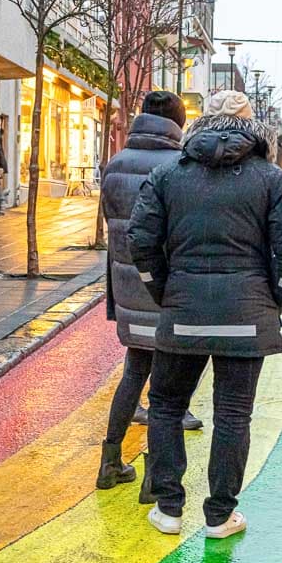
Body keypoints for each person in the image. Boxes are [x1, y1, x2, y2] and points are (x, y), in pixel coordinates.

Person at [129, 90, 282, 539]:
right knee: (234, 414)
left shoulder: (168, 174)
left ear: (199, 124)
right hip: (246, 315)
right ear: (253, 127)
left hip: (183, 310)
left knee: (167, 406)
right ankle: (219, 514)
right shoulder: (271, 179)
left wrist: (163, 290)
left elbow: (141, 240)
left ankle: (169, 508)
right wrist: (273, 298)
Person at [96, 91, 202, 492]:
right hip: (166, 288)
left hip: (126, 286)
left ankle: (110, 461)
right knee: (168, 390)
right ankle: (154, 476)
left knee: (133, 373)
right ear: (178, 124)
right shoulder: (178, 166)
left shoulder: (116, 163)